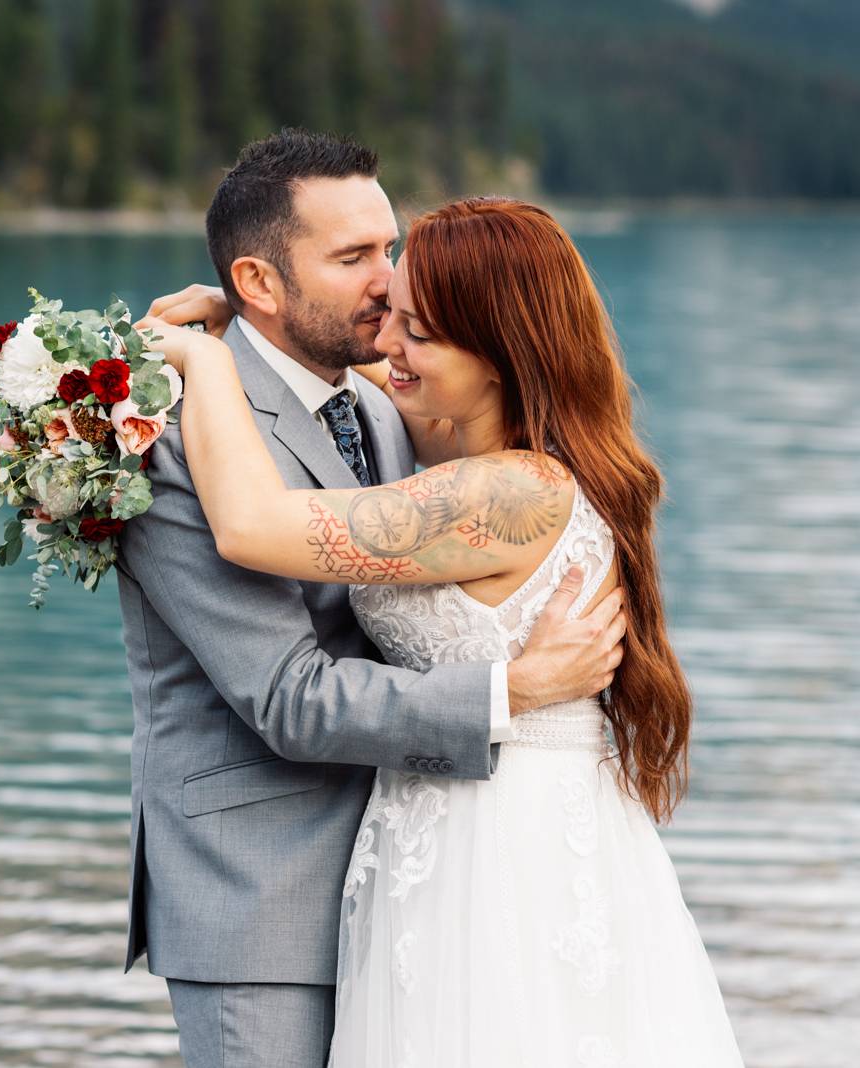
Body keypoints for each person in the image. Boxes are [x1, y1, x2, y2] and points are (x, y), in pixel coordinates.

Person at [139, 190, 744, 1065]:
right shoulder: (463, 434)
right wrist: (248, 319)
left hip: (502, 845)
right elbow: (344, 376)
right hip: (433, 831)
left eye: (415, 328)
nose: (387, 343)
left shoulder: (505, 492)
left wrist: (204, 360)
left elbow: (251, 525)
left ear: (497, 354)